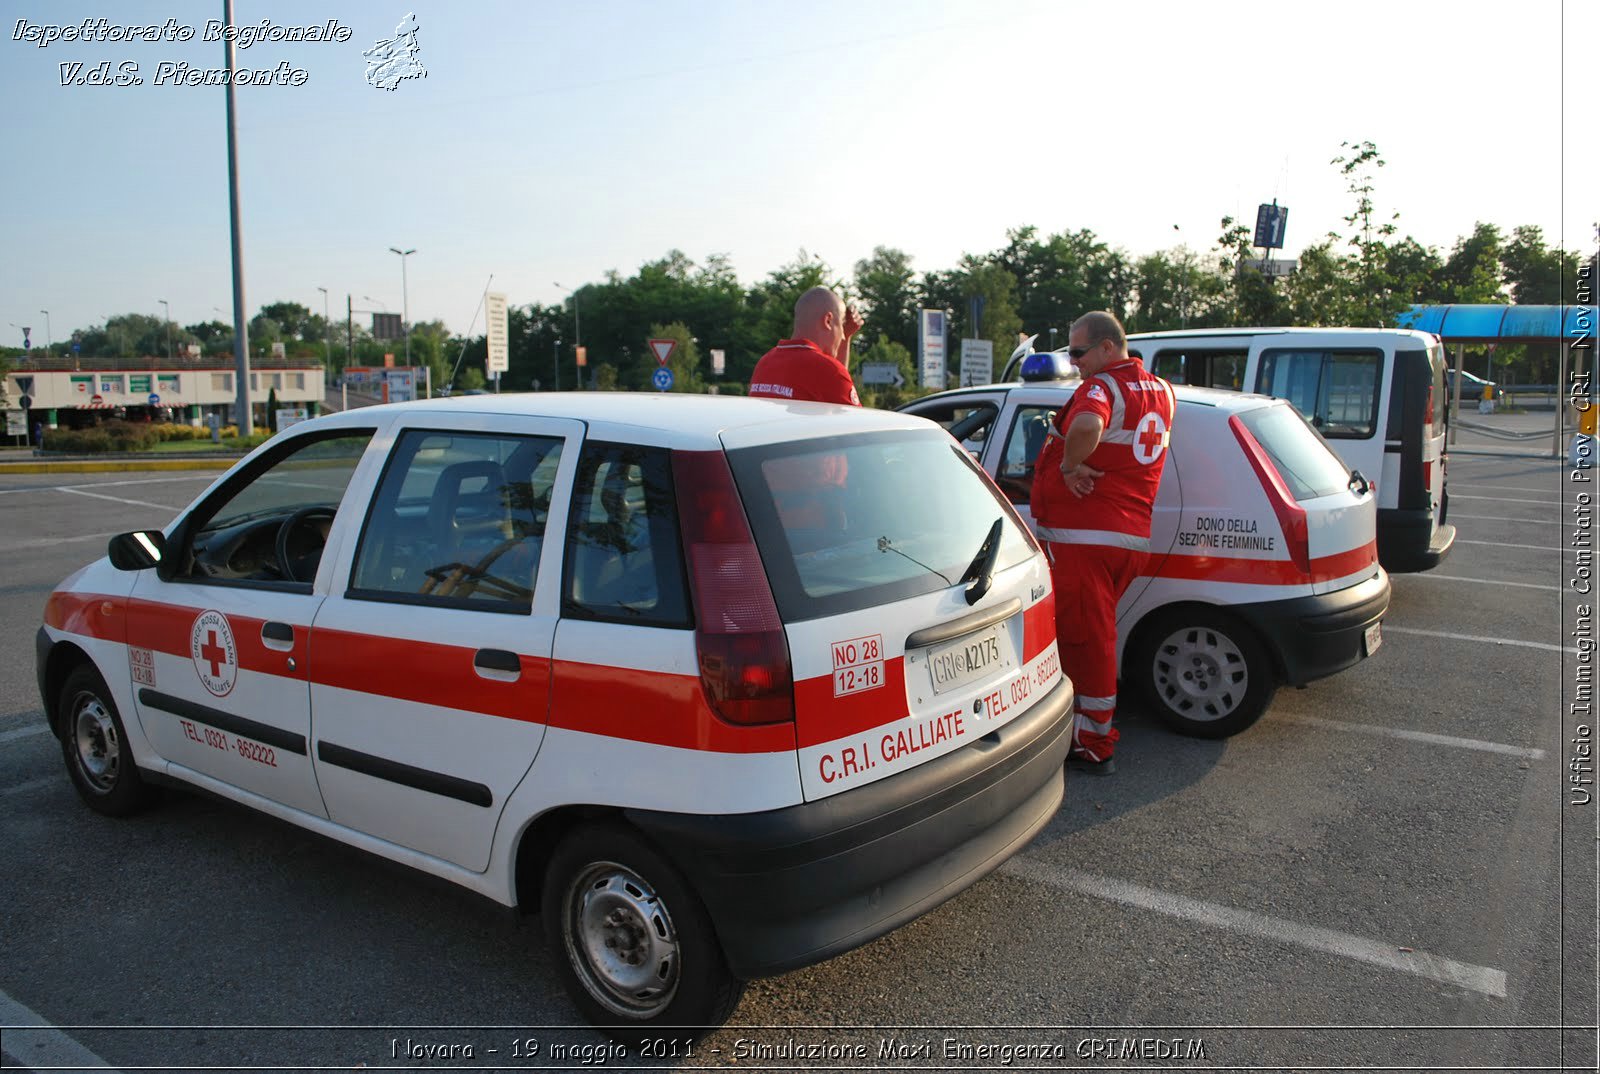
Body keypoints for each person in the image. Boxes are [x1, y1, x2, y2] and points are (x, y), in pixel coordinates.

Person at [1030, 311, 1175, 775]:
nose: (1074, 363)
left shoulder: (1102, 388)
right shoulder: (1161, 391)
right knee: (1092, 635)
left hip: (1085, 540)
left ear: (1108, 348)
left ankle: (1093, 742)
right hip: (1125, 536)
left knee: (1088, 640)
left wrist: (1071, 466)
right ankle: (1080, 727)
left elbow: (1089, 426)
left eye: (1078, 352)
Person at [749, 286, 863, 405]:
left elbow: (832, 386)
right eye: (841, 324)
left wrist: (846, 339)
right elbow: (853, 420)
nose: (843, 336)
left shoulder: (764, 363)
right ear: (828, 321)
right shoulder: (829, 371)